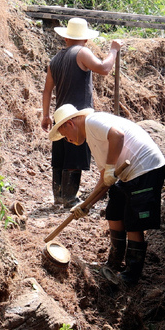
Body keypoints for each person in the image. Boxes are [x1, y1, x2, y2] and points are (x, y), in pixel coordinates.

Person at [48, 105, 165, 285]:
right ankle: (115, 262)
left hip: (146, 168)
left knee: (133, 223)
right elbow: (105, 177)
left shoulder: (93, 121)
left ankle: (131, 275)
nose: (68, 140)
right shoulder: (91, 138)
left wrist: (111, 167)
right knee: (114, 212)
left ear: (69, 124)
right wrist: (85, 205)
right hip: (127, 174)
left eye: (65, 136)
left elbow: (117, 135)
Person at [40, 18, 123, 208]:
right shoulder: (82, 52)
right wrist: (113, 50)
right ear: (85, 40)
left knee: (60, 155)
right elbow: (104, 68)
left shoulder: (55, 60)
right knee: (75, 155)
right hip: (78, 117)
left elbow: (47, 90)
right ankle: (69, 198)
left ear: (66, 38)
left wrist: (46, 115)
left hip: (60, 116)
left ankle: (59, 196)